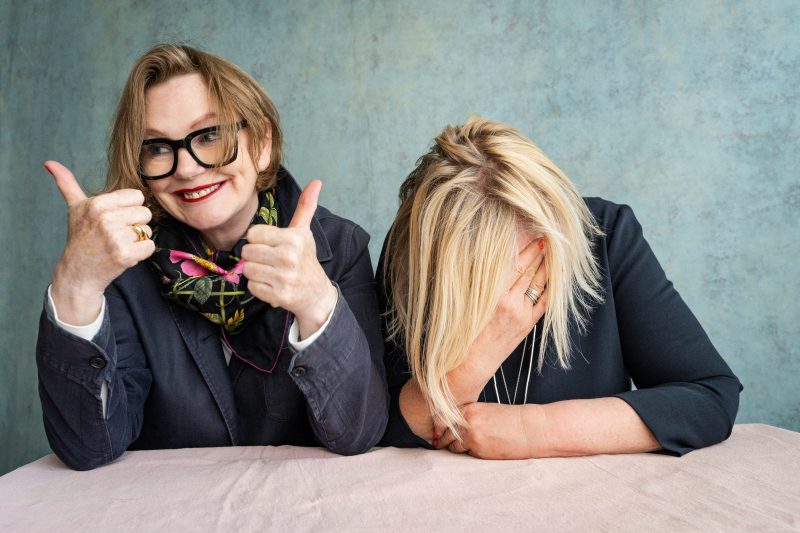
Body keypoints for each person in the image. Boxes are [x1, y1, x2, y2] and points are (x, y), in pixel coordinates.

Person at [37, 44, 388, 470]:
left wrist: (317, 303)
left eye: (209, 135)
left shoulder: (340, 247)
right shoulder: (121, 263)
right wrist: (76, 286)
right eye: (158, 147)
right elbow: (90, 447)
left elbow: (360, 433)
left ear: (261, 143)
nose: (186, 168)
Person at [379, 117, 741, 458]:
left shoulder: (603, 234)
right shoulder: (410, 253)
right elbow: (375, 427)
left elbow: (709, 397)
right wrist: (479, 357)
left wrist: (533, 429)